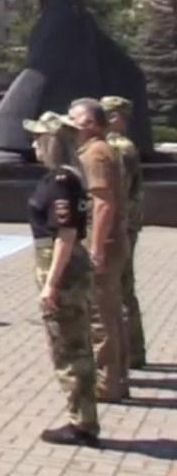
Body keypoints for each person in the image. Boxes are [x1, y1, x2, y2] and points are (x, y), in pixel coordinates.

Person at [23, 111, 99, 448]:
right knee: (74, 346)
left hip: (63, 273)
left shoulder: (61, 182)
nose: (33, 143)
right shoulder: (63, 177)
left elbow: (65, 234)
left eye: (38, 137)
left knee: (69, 349)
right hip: (64, 268)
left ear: (51, 142)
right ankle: (82, 418)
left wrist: (52, 283)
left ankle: (81, 423)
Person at [69, 97, 129, 402]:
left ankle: (107, 384)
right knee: (111, 313)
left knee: (101, 316)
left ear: (90, 124)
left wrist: (95, 249)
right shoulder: (103, 149)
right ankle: (117, 377)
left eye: (74, 119)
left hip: (103, 240)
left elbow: (103, 202)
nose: (70, 124)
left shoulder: (95, 154)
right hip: (111, 240)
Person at [101, 95, 145, 368]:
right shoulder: (121, 145)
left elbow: (116, 193)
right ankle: (135, 352)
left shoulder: (118, 147)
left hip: (120, 226)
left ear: (116, 117)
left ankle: (128, 354)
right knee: (125, 287)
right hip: (127, 223)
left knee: (118, 288)